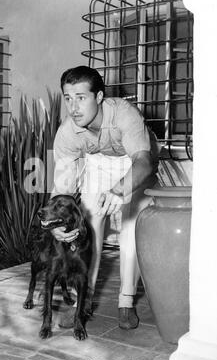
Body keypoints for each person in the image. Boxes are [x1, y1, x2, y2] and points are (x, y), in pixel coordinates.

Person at [51, 65, 159, 330]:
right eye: (68, 98)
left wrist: (119, 191)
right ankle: (81, 303)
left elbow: (144, 162)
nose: (73, 107)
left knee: (130, 232)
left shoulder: (124, 113)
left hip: (134, 164)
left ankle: (126, 302)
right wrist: (56, 223)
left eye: (81, 97)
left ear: (99, 97)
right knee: (87, 230)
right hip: (99, 163)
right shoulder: (67, 133)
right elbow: (62, 187)